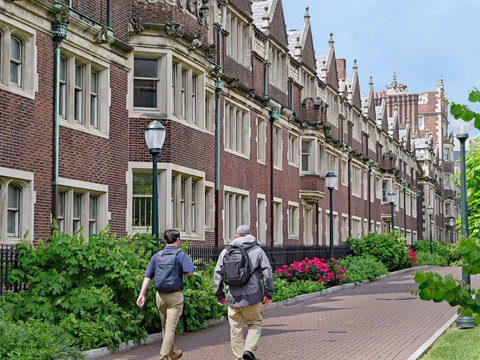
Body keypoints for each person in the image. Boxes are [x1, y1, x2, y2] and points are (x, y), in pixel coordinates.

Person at [214, 225, 273, 360]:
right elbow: (267, 273)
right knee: (255, 324)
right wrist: (268, 293)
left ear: (236, 236)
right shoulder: (257, 250)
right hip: (252, 297)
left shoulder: (226, 251)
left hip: (232, 298)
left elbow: (217, 274)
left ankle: (239, 358)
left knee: (235, 330)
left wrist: (220, 295)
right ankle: (249, 350)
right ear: (250, 234)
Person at [137, 229, 195, 360]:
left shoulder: (157, 256)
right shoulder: (181, 255)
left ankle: (172, 354)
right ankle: (163, 357)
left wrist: (142, 294)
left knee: (165, 328)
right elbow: (190, 272)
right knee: (170, 330)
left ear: (164, 241)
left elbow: (147, 276)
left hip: (160, 296)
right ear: (178, 240)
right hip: (175, 296)